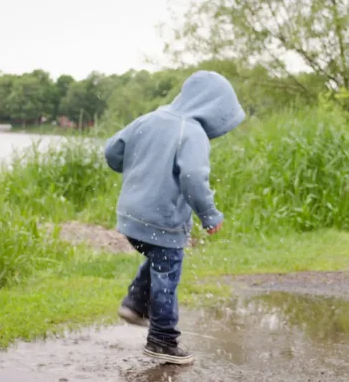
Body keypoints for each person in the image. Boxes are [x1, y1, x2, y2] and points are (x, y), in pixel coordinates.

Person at [104, 71, 245, 364]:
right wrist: (209, 215)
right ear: (212, 107)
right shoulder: (191, 131)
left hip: (130, 217)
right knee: (167, 273)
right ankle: (162, 340)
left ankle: (134, 303)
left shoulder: (148, 119)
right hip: (163, 220)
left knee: (159, 259)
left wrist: (136, 170)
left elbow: (112, 151)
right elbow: (193, 177)